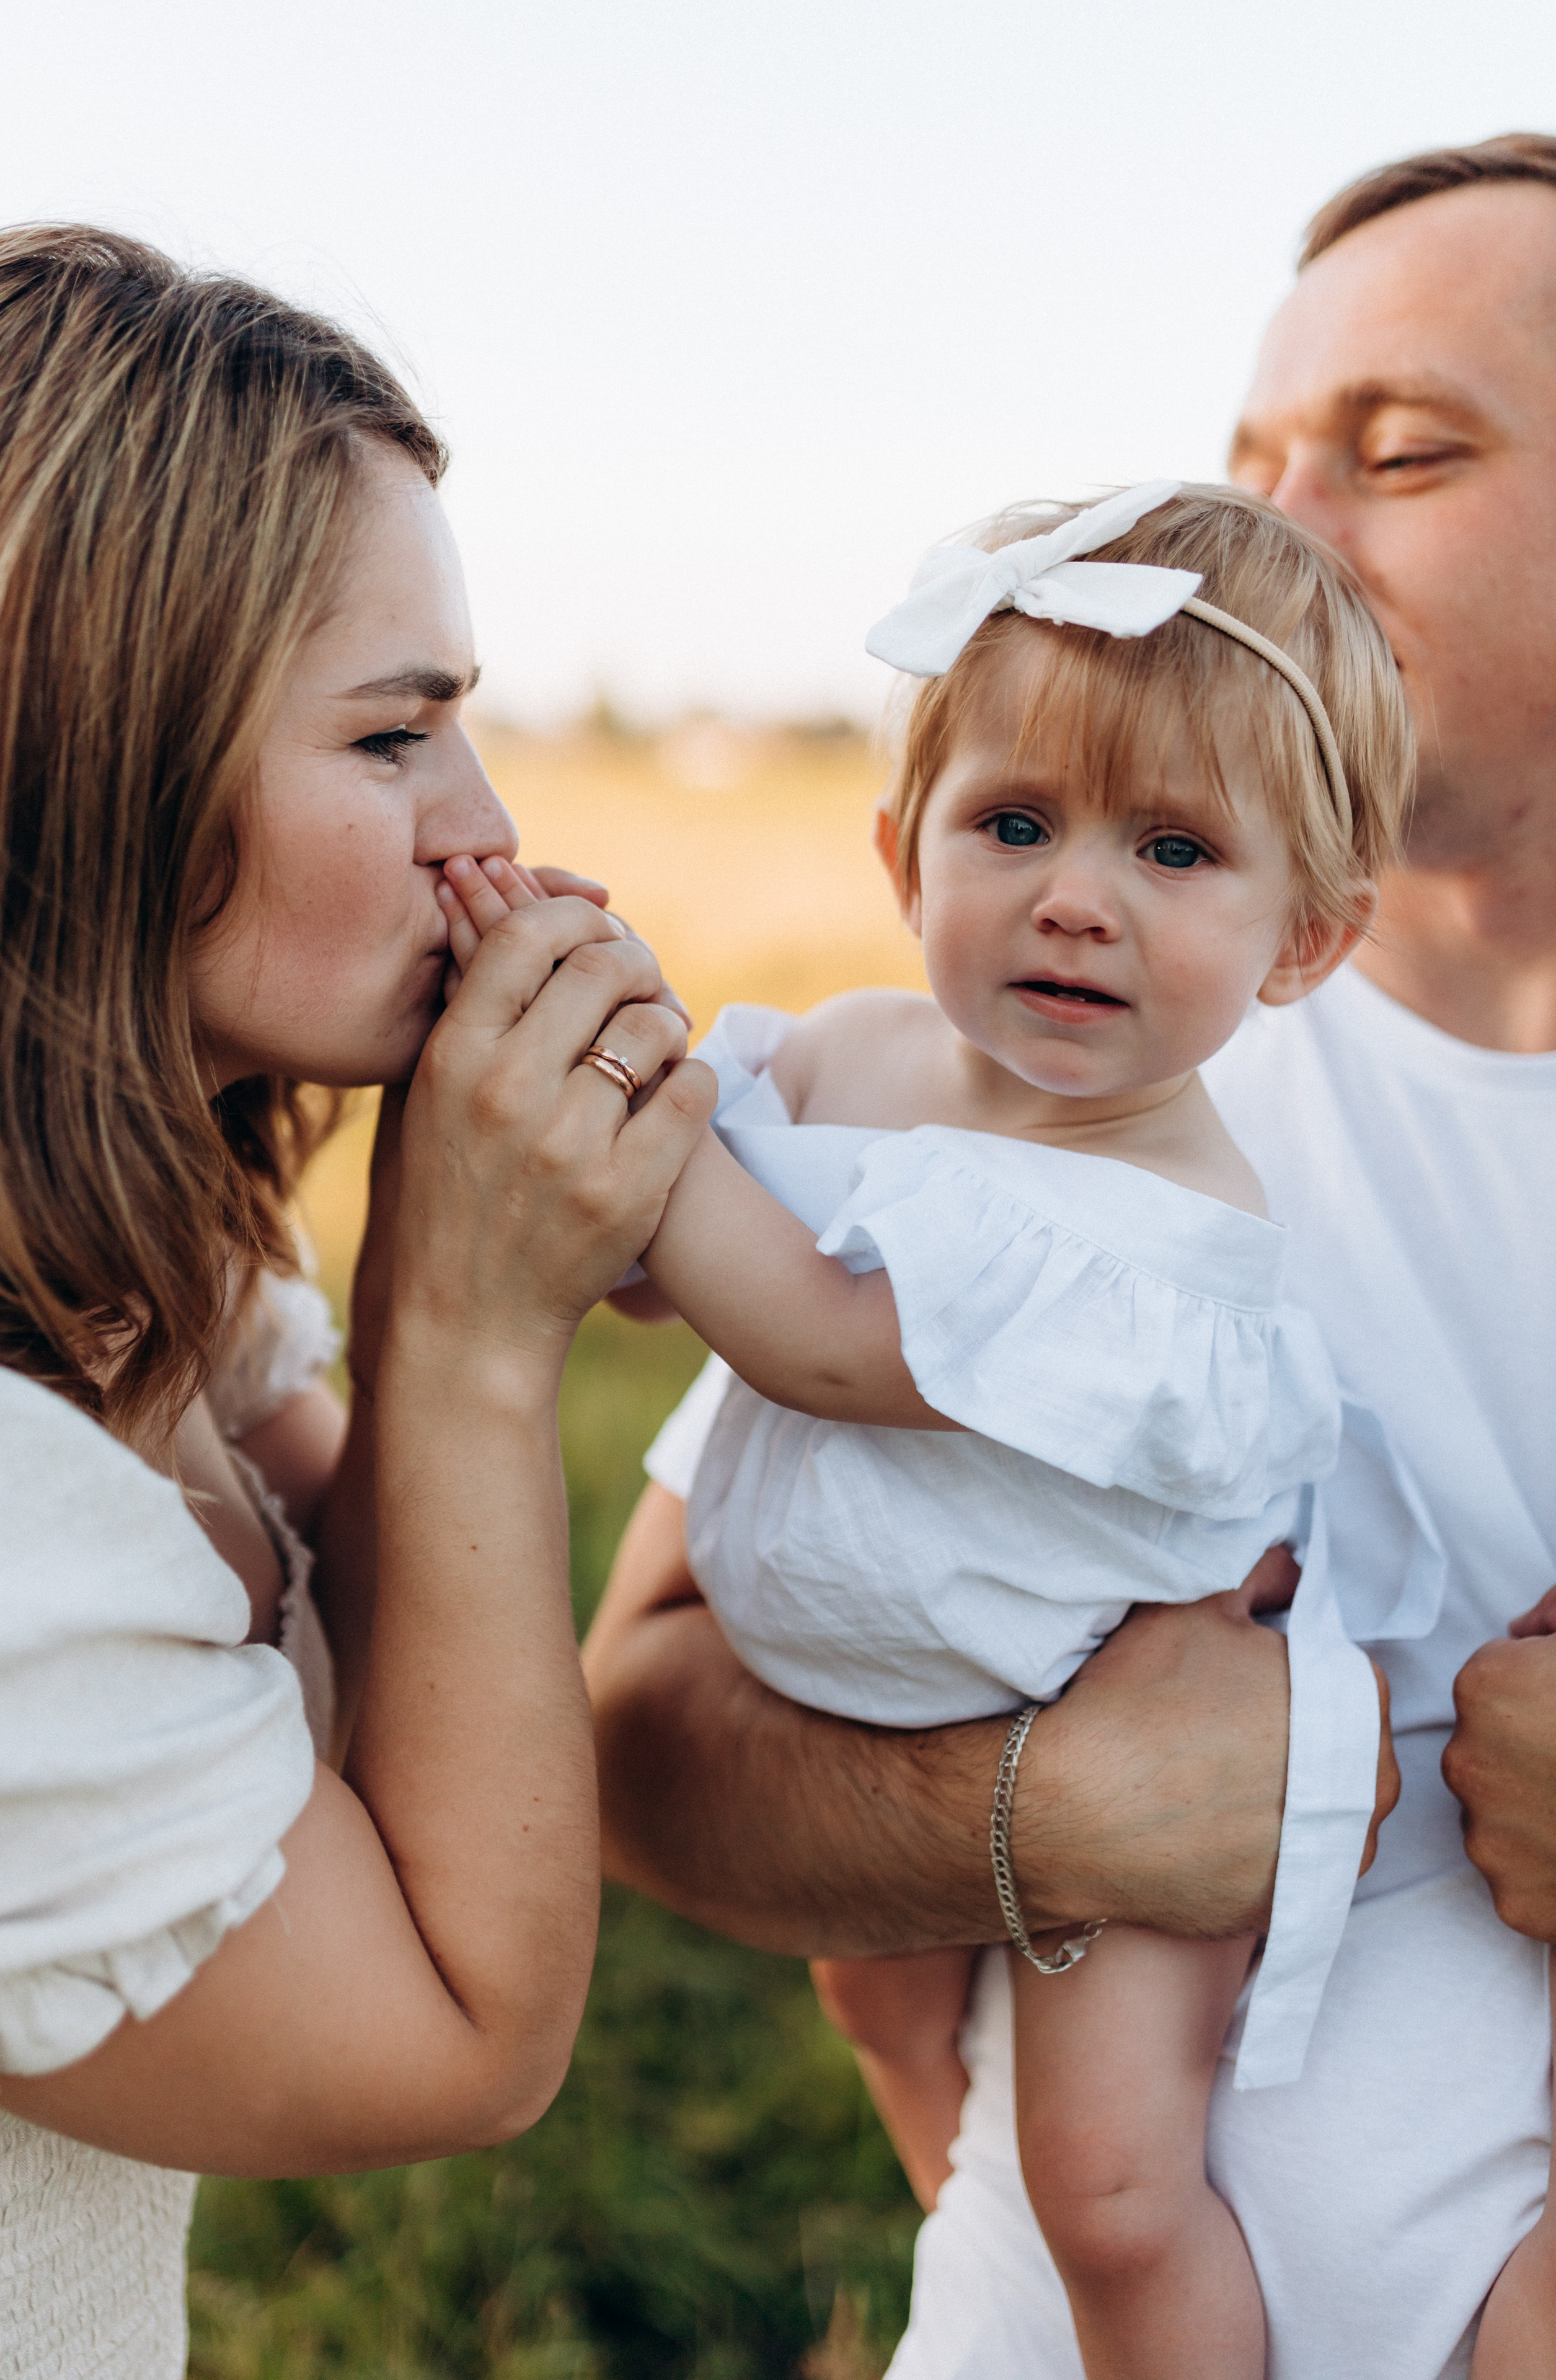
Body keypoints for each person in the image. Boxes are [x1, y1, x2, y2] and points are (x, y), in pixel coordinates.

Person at [583, 131, 1556, 2378]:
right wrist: (1036, 1814)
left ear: (1282, 923)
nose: (1269, 533)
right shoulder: (1027, 1079)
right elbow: (639, 1732)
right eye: (1244, 458)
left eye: (1402, 451)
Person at [448, 480, 1410, 2378]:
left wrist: (629, 1108)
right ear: (907, 849)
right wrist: (599, 1028)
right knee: (880, 2002)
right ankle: (933, 2180)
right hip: (893, 1713)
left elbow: (810, 1337)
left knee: (1112, 2192)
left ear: (1305, 939)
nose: (1078, 894)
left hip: (1154, 1750)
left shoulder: (1160, 1223)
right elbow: (653, 1276)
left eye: (1177, 850)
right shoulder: (846, 1057)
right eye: (1019, 821)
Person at [0, 224, 712, 2378]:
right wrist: (472, 1328)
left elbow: (410, 1700)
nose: (485, 832)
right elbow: (456, 2035)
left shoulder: (156, 1262)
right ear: (85, 755)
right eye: (394, 739)